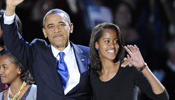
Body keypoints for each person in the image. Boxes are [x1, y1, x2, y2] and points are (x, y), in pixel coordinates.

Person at [1, 0, 91, 100]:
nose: (56, 30)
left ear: (71, 27)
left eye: (61, 24)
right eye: (50, 26)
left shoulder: (88, 54)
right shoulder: (37, 53)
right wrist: (10, 7)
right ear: (45, 32)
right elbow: (13, 42)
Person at [89, 22, 169, 100]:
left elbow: (162, 97)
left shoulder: (129, 69)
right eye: (107, 41)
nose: (113, 45)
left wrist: (143, 67)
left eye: (116, 41)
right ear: (96, 45)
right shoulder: (90, 75)